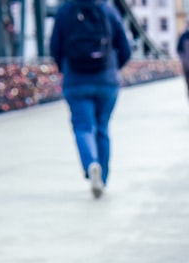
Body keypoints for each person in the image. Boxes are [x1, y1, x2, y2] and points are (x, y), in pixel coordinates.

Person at [49, 0, 131, 198]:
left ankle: (91, 163)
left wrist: (66, 69)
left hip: (76, 80)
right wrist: (112, 68)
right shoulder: (108, 10)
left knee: (83, 127)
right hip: (107, 80)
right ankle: (102, 178)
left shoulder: (65, 11)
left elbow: (54, 48)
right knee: (102, 128)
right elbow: (126, 48)